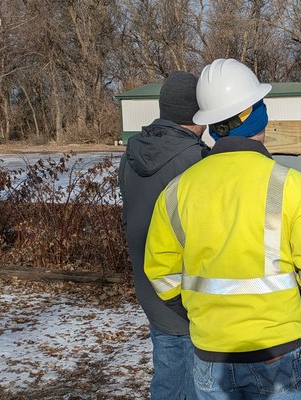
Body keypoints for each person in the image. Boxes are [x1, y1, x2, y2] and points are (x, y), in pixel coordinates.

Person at [144, 58, 301, 400]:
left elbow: (161, 273)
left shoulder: (177, 192)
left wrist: (203, 317)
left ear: (210, 124)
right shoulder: (295, 188)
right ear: (258, 115)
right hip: (276, 352)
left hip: (210, 355)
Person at [118, 71, 208, 399]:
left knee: (169, 377)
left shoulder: (131, 154)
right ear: (199, 112)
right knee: (194, 384)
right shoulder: (196, 161)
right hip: (188, 298)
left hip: (152, 291)